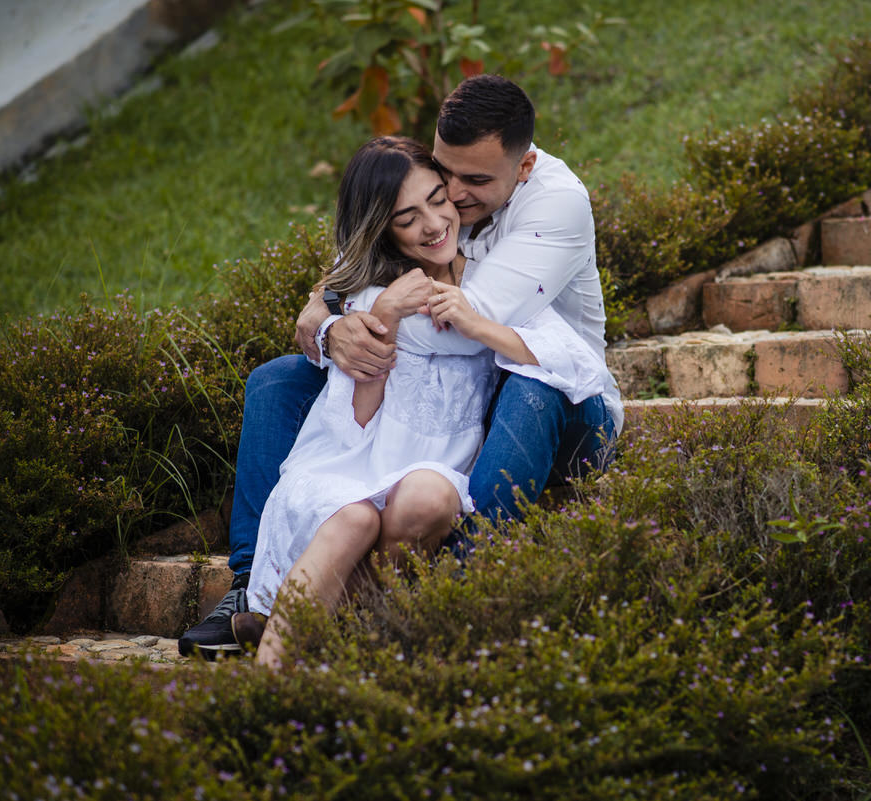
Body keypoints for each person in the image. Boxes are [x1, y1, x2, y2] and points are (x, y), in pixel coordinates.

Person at [179, 74, 621, 659]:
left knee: (529, 385)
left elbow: (464, 325)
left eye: (474, 182)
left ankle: (462, 589)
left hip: (562, 401)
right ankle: (249, 589)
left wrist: (364, 315)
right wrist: (329, 310)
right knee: (278, 380)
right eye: (445, 172)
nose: (453, 194)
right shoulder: (435, 187)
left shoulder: (555, 204)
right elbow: (358, 253)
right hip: (442, 386)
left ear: (524, 168)